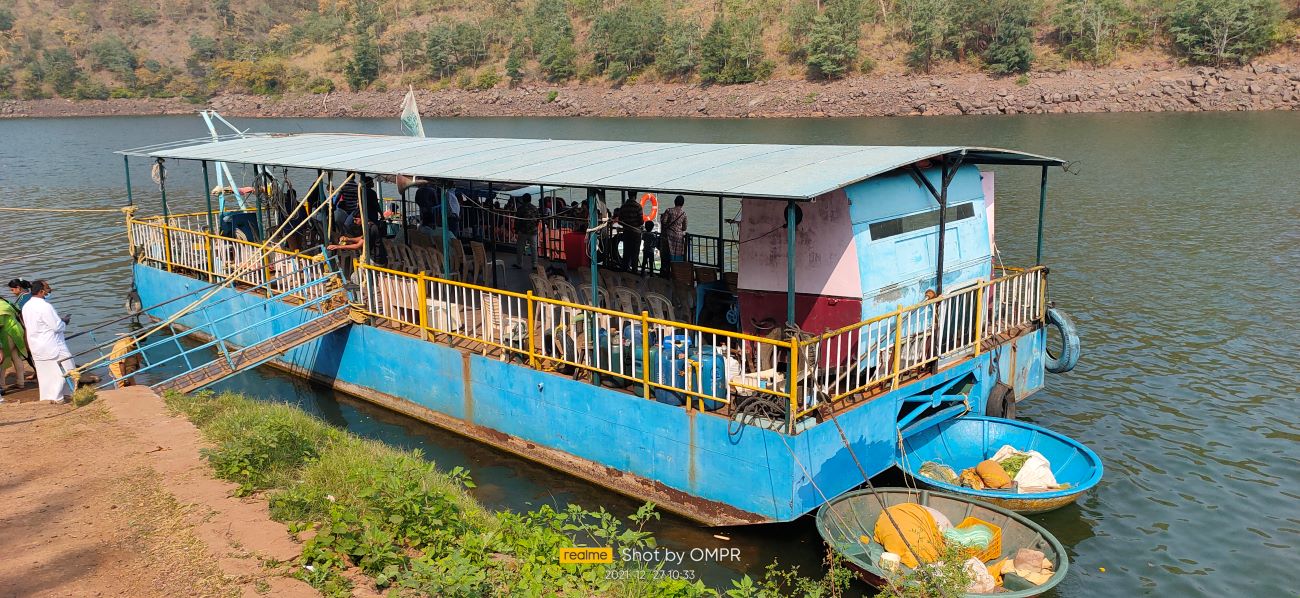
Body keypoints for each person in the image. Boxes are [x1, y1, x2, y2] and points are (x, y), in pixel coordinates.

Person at [22, 280, 74, 404]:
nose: (48, 291)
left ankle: (48, 398)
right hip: (52, 344)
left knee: (45, 373)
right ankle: (59, 397)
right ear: (41, 291)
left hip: (37, 345)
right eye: (47, 289)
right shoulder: (45, 306)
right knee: (68, 368)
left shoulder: (26, 306)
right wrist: (64, 322)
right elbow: (56, 327)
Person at [0, 295, 30, 392]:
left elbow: (0, 325)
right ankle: (20, 382)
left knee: (2, 359)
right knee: (15, 356)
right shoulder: (6, 303)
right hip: (17, 331)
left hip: (7, 333)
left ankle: (2, 386)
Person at [616, 193, 645, 270]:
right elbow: (641, 221)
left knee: (626, 252)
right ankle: (634, 270)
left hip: (626, 232)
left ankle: (625, 270)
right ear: (635, 196)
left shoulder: (623, 206)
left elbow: (619, 221)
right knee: (635, 253)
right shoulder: (638, 207)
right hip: (636, 233)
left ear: (628, 195)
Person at [513, 193, 539, 270]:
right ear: (530, 199)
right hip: (533, 231)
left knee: (520, 247)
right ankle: (534, 265)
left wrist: (516, 230)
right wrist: (535, 227)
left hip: (523, 231)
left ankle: (519, 264)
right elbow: (538, 219)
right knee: (534, 248)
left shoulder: (521, 208)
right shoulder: (535, 208)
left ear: (523, 200)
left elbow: (517, 220)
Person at [660, 195, 688, 264]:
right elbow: (684, 228)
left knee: (666, 255)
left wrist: (662, 217)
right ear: (682, 204)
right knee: (676, 256)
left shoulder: (669, 210)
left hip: (668, 236)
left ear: (674, 202)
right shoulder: (684, 214)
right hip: (678, 238)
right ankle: (675, 271)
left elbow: (663, 222)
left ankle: (665, 271)